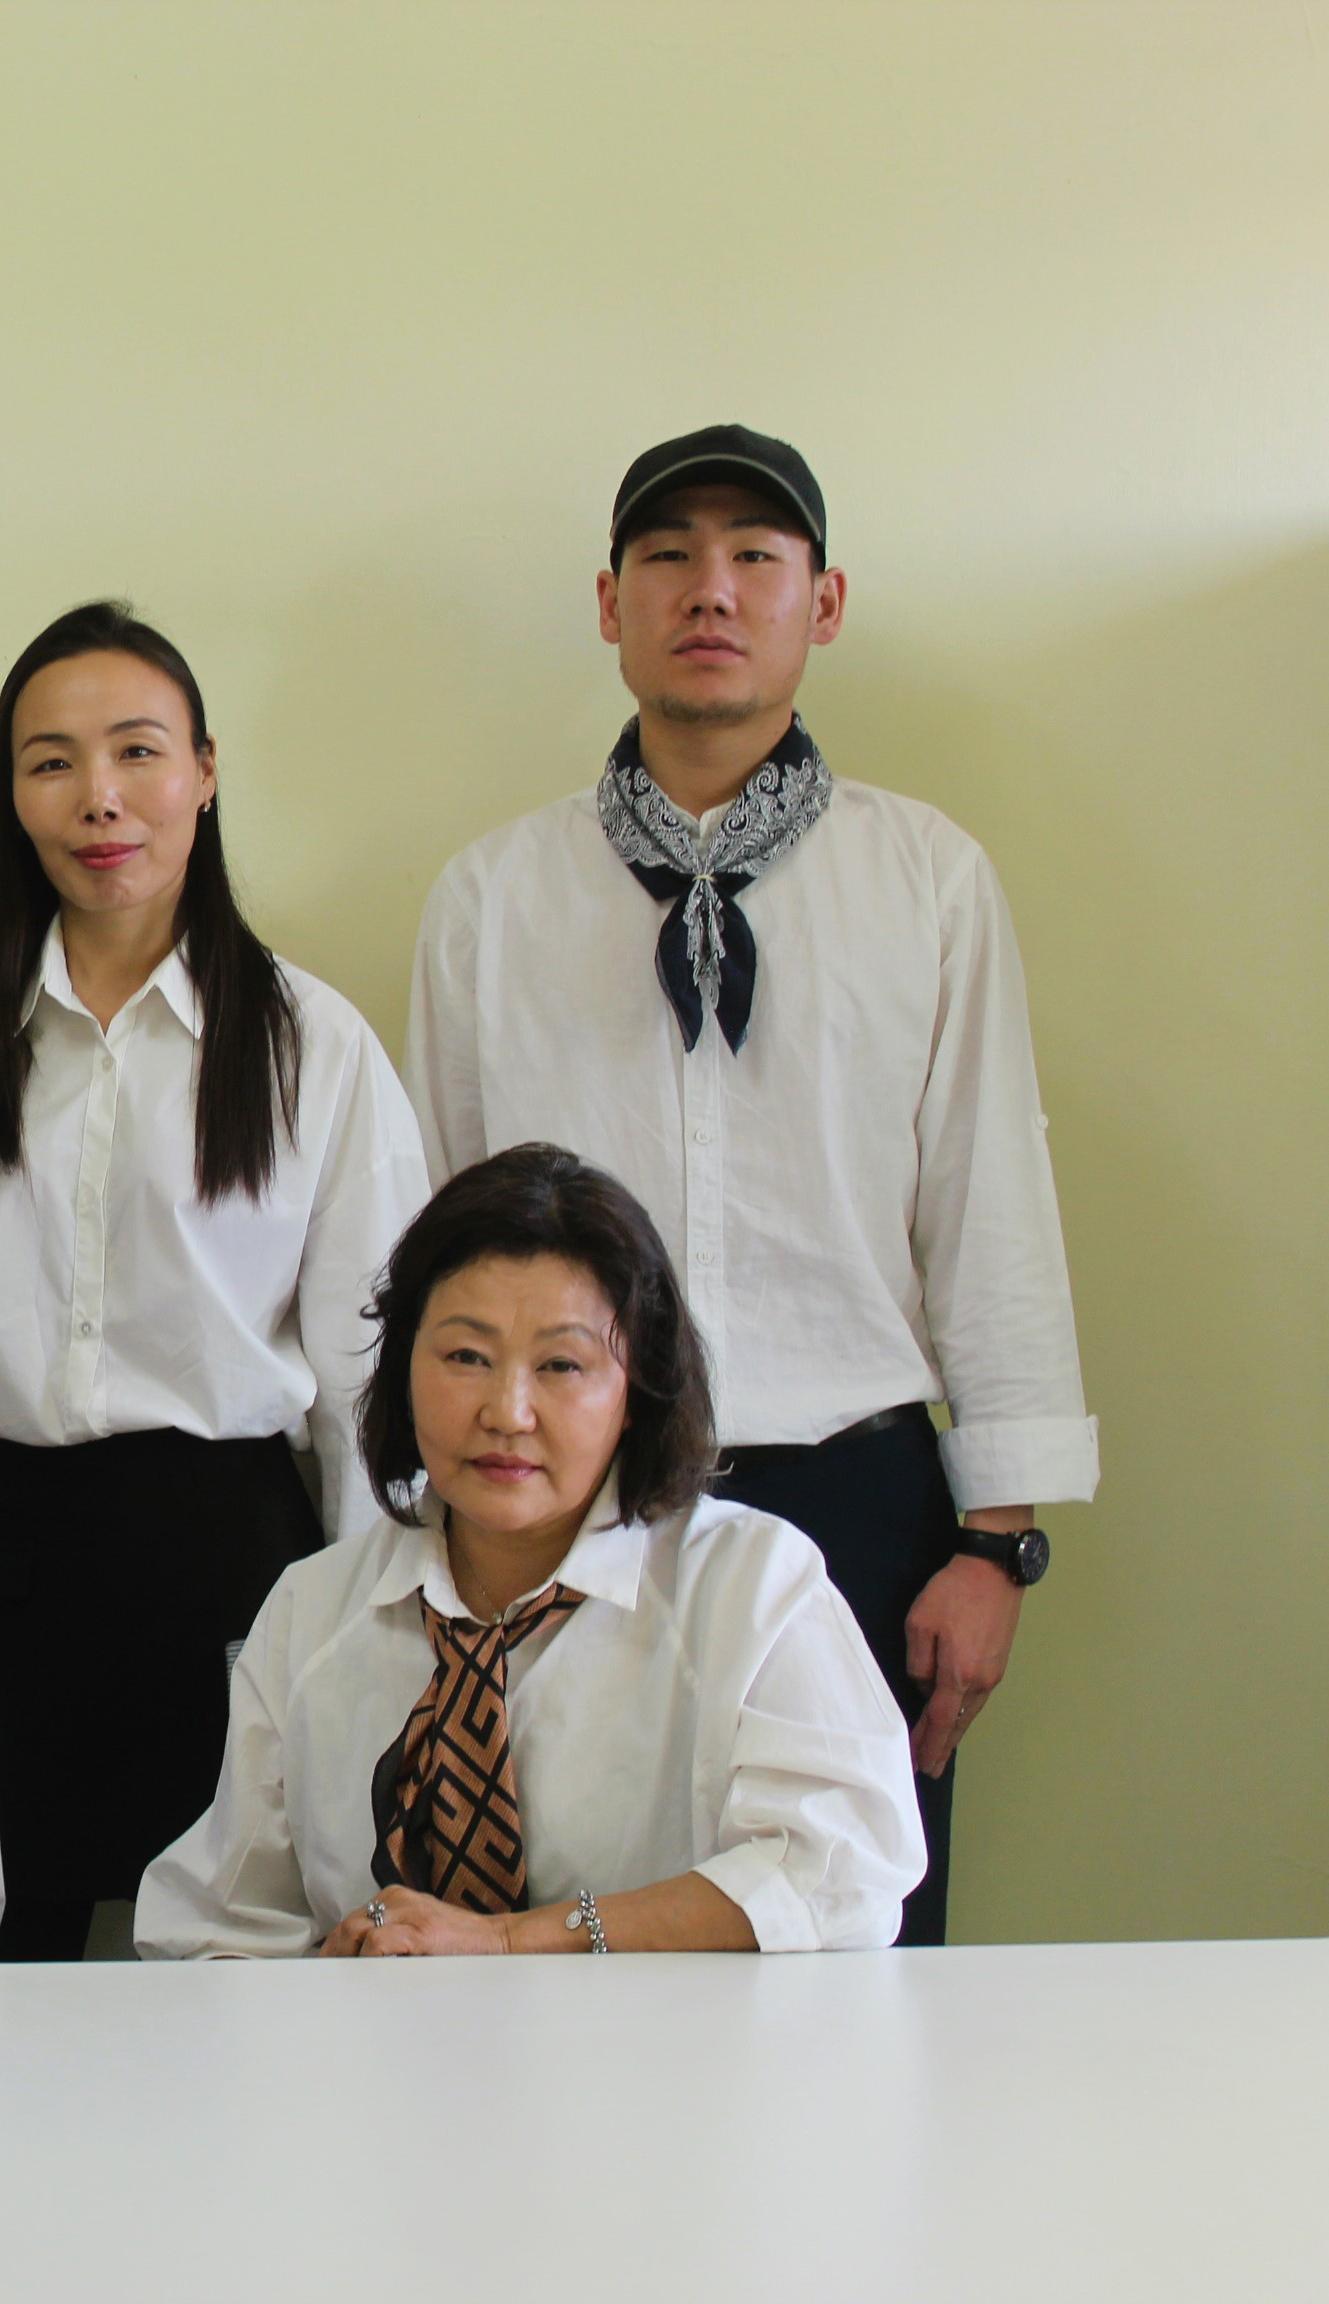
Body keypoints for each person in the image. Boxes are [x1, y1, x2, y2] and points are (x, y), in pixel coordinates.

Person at [405, 426, 1091, 1945]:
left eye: (754, 557)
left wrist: (996, 1546)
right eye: (668, 557)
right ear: (611, 602)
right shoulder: (492, 899)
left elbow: (988, 1210)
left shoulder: (928, 880)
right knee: (551, 1945)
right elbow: (443, 1240)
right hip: (571, 1499)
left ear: (822, 603)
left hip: (858, 1500)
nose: (709, 590)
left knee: (845, 1952)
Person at [0, 601, 429, 1962]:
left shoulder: (311, 1044)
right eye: (51, 762)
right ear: (12, 796)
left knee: (234, 1980)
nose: (98, 798)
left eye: (137, 752)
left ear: (205, 774)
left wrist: (375, 1641)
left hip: (228, 1569)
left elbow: (368, 1382)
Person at [134, 1144, 922, 1958]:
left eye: (561, 1365)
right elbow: (215, 1929)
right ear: (403, 1367)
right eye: (465, 1358)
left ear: (637, 1389)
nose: (508, 1412)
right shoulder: (311, 1611)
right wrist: (323, 1976)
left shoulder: (751, 1587)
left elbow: (845, 1872)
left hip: (672, 2042)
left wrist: (513, 1940)